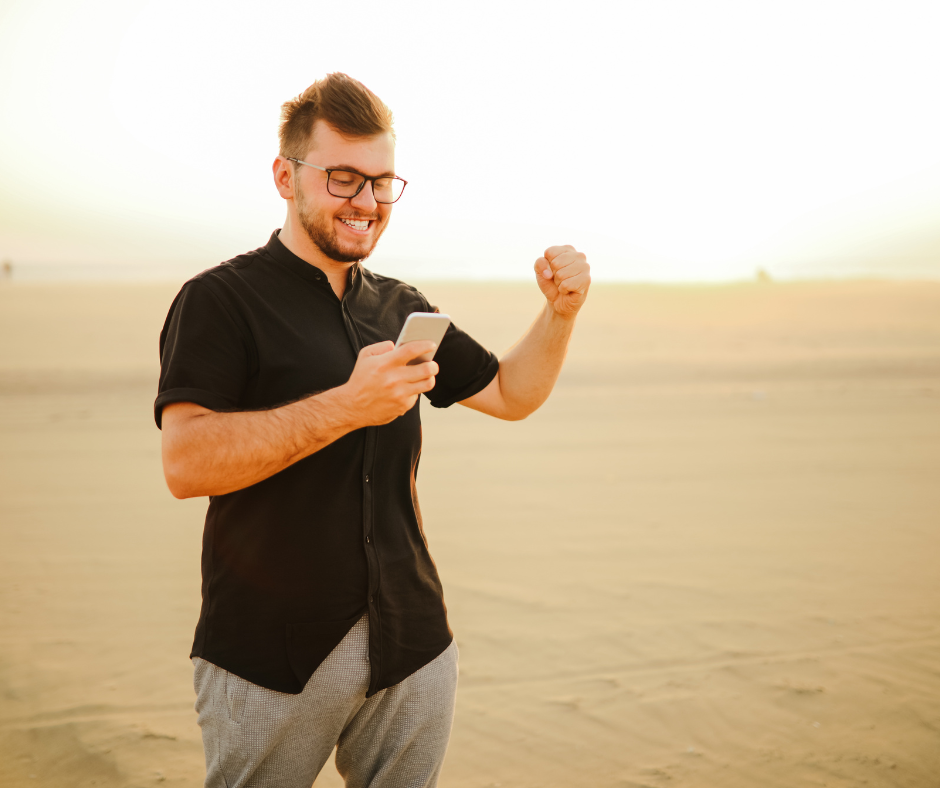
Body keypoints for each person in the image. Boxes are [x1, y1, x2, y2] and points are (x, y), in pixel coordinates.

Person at [155, 72, 590, 788]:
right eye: (344, 178)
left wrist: (561, 313)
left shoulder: (401, 306)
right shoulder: (219, 301)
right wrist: (347, 406)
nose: (366, 202)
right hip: (271, 655)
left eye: (382, 183)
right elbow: (186, 463)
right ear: (284, 176)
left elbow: (512, 394)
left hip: (412, 642)